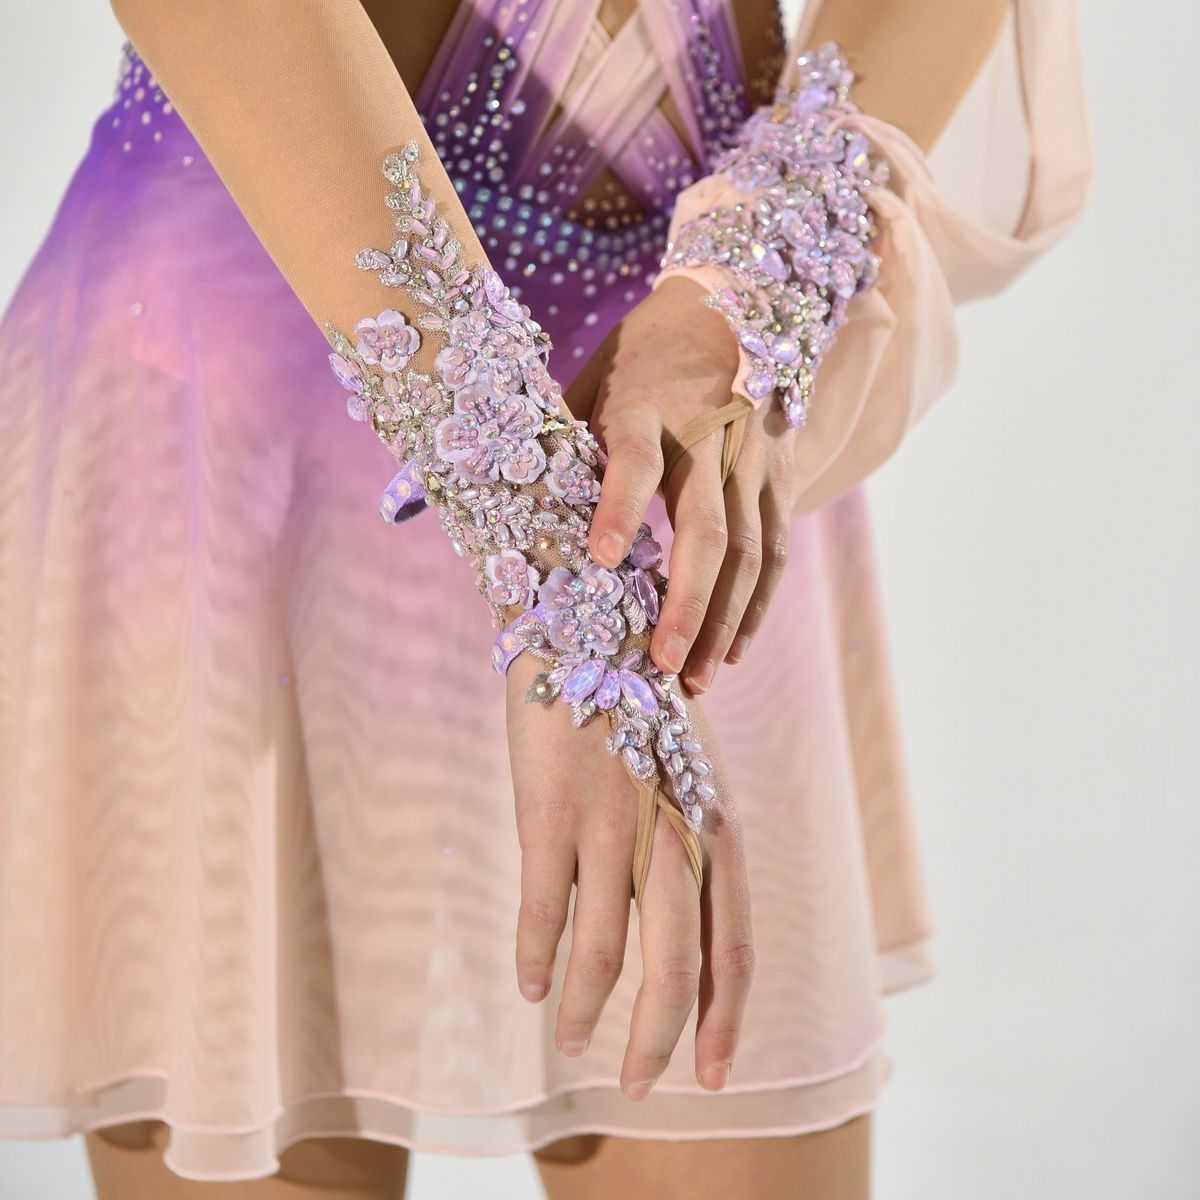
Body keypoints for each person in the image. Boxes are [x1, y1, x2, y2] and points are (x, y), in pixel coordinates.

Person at [0, 1, 1090, 1196]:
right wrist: (558, 566)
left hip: (694, 449)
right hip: (249, 386)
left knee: (707, 1019)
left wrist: (739, 295)